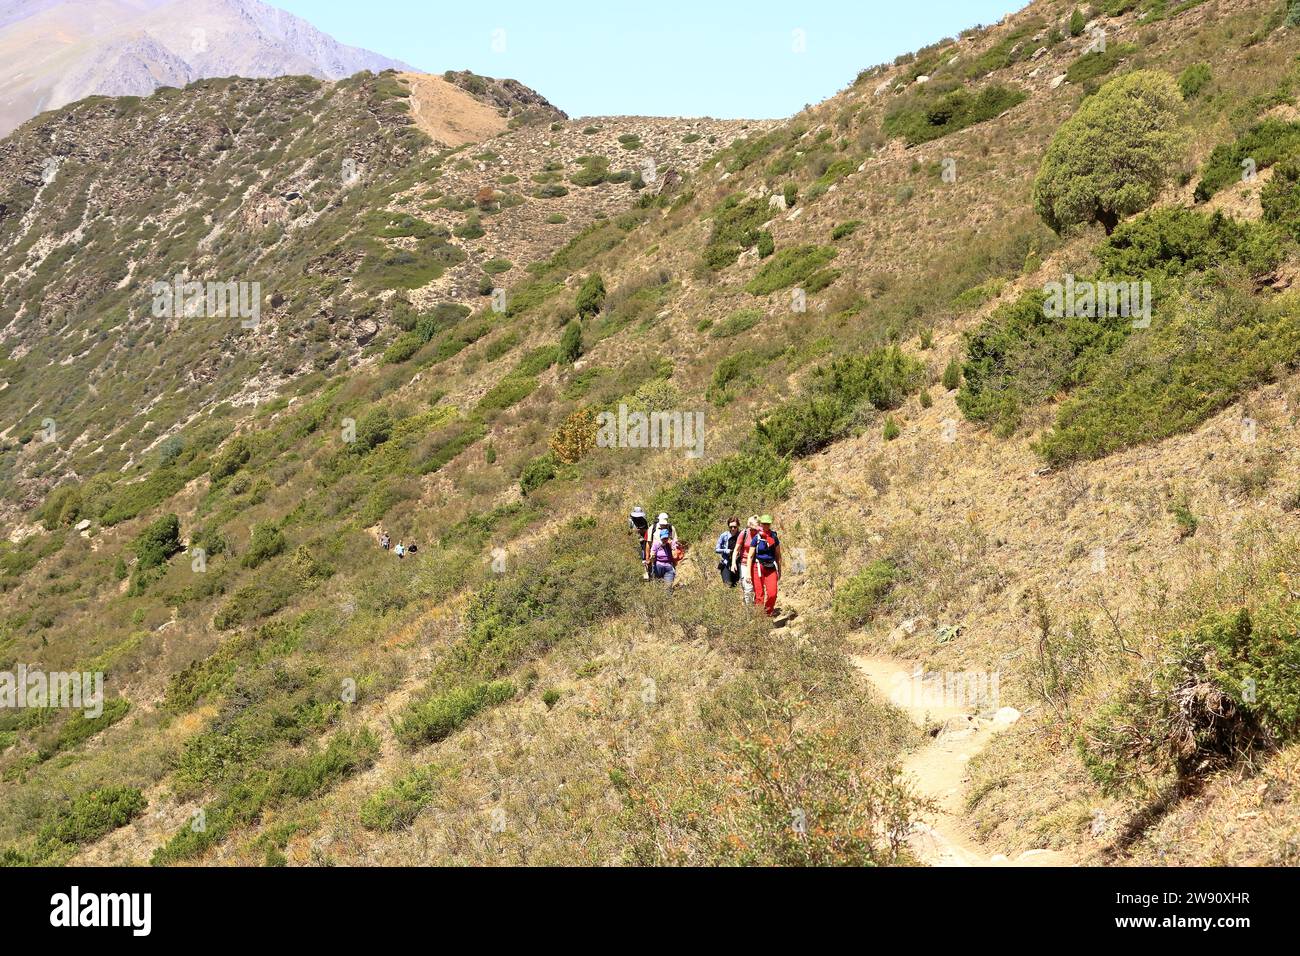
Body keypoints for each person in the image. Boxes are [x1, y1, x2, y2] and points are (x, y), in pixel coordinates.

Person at [746, 514, 782, 617]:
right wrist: (748, 573)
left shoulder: (774, 537)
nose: (766, 526)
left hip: (771, 568)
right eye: (764, 523)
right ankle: (760, 618)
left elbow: (778, 555)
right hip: (758, 567)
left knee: (772, 594)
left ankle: (767, 613)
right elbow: (750, 556)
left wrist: (779, 570)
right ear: (761, 524)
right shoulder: (756, 538)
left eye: (768, 524)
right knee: (759, 595)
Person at [732, 516, 760, 606]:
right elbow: (736, 549)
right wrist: (733, 563)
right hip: (744, 563)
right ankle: (749, 610)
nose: (753, 531)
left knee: (757, 587)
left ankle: (757, 607)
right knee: (748, 587)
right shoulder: (744, 533)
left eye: (755, 529)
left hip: (757, 563)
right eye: (751, 529)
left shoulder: (760, 533)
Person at [715, 517, 742, 587]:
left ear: (738, 526)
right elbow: (717, 549)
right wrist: (726, 551)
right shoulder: (724, 536)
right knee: (728, 584)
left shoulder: (741, 535)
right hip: (726, 563)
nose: (733, 529)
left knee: (738, 584)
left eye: (735, 527)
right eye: (731, 527)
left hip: (738, 563)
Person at [628, 507, 651, 580]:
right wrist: (635, 531)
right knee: (635, 556)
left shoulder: (643, 520)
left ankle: (645, 573)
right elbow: (628, 532)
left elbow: (647, 530)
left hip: (643, 541)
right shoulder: (630, 521)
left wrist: (643, 530)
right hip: (634, 541)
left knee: (643, 557)